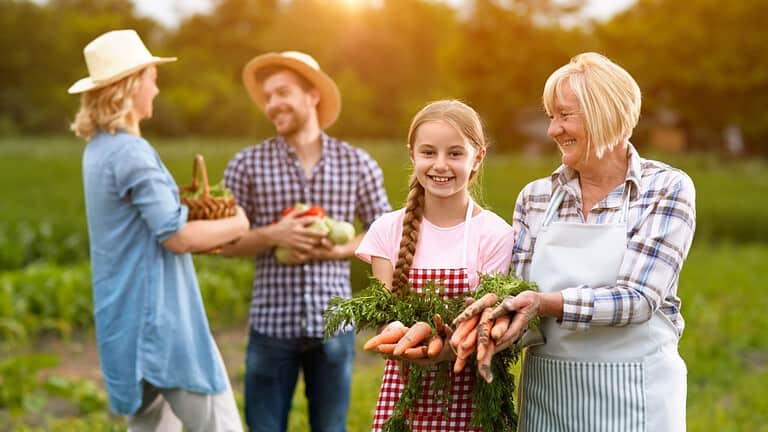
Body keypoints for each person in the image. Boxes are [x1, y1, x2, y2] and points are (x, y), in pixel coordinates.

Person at [488, 52, 696, 431]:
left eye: (565, 116)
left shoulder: (665, 188)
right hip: (549, 402)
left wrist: (543, 303)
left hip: (638, 400)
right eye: (551, 116)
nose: (553, 130)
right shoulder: (535, 198)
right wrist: (478, 333)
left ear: (605, 113)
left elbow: (638, 299)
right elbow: (515, 298)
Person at [69, 30, 249, 431]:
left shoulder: (97, 150)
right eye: (151, 76)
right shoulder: (132, 152)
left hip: (123, 319)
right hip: (162, 321)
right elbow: (177, 236)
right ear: (131, 86)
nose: (156, 85)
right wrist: (239, 222)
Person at [220, 51, 391, 432]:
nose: (272, 104)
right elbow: (225, 243)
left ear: (312, 95)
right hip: (270, 326)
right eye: (267, 97)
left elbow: (384, 232)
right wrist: (272, 235)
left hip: (333, 328)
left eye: (282, 92)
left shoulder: (357, 163)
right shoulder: (246, 164)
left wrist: (340, 249)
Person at [355, 100, 516, 431]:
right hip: (404, 393)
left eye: (455, 154)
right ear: (412, 155)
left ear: (478, 157)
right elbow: (385, 314)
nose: (440, 165)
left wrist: (449, 348)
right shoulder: (388, 230)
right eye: (429, 152)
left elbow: (488, 320)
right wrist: (398, 335)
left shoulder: (495, 233)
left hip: (473, 394)